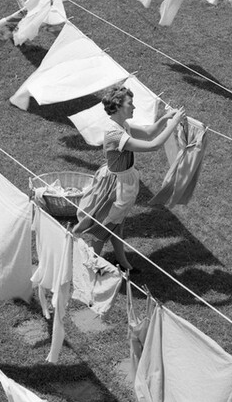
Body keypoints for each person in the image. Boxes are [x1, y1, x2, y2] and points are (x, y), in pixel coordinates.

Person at [73, 85, 186, 271]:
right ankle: (92, 265)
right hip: (116, 186)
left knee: (118, 223)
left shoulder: (121, 125)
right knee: (104, 228)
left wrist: (165, 118)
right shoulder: (115, 134)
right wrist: (174, 123)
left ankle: (122, 260)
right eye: (130, 103)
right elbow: (153, 145)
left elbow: (149, 132)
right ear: (118, 106)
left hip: (123, 180)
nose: (133, 107)